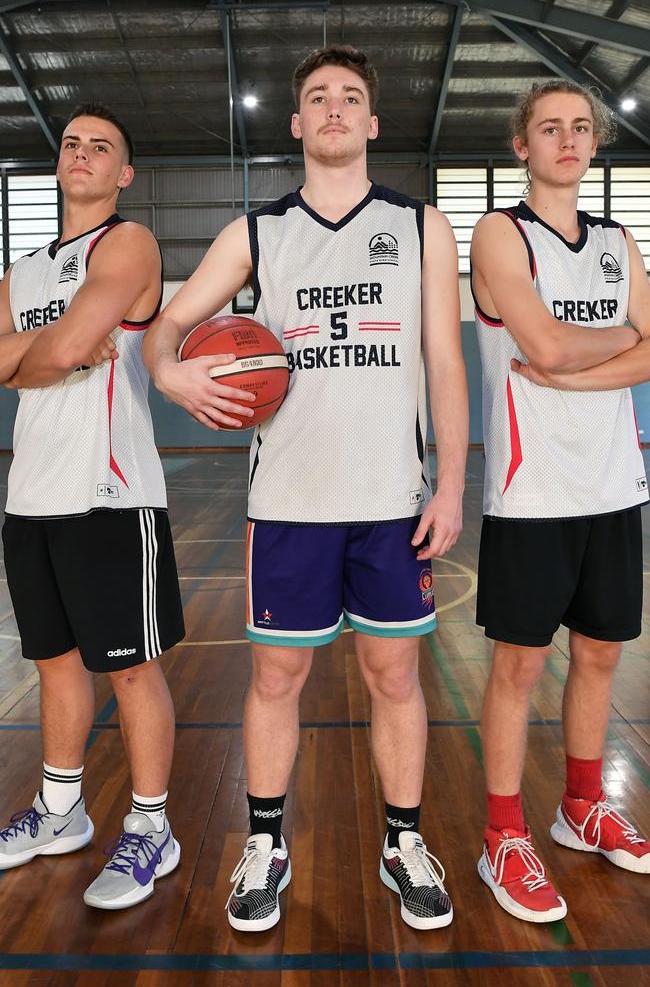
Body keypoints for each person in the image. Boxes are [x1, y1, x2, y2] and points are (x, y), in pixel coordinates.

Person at [143, 45, 467, 932]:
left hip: (394, 498)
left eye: (349, 97)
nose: (332, 108)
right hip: (287, 502)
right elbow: (166, 329)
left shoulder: (421, 225)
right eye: (317, 97)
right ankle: (265, 843)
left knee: (394, 675)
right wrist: (171, 377)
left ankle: (403, 843)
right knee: (277, 676)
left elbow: (446, 360)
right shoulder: (255, 233)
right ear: (295, 123)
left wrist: (452, 484)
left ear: (371, 122)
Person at [471, 80, 650, 924]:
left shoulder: (618, 241)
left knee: (603, 656)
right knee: (519, 668)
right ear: (523, 145)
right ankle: (502, 833)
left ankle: (582, 804)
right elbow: (538, 342)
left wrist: (581, 360)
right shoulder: (500, 234)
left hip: (615, 486)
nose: (569, 140)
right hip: (530, 492)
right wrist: (622, 339)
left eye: (582, 128)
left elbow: (612, 354)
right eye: (551, 128)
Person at [0, 103, 185, 909]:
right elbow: (58, 349)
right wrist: (59, 351)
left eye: (100, 146)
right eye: (71, 144)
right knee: (53, 665)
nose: (81, 154)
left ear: (123, 173)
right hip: (30, 494)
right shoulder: (24, 268)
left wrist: (42, 356)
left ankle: (152, 826)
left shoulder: (130, 243)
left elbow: (72, 348)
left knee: (134, 673)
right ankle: (60, 810)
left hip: (110, 494)